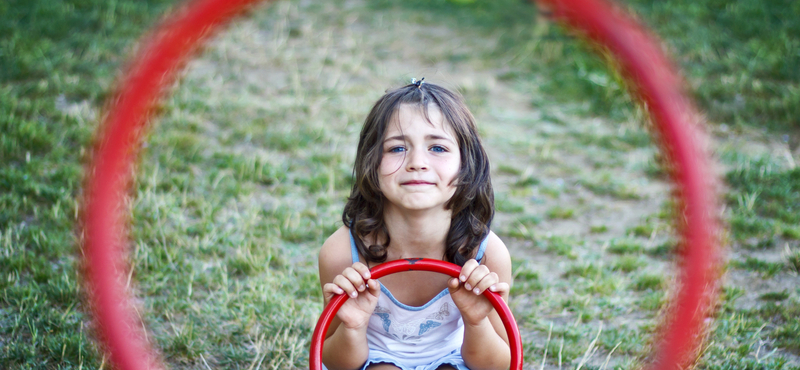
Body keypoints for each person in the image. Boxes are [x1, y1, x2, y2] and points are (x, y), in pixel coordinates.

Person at [318, 78, 512, 370]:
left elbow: (497, 365)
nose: (417, 162)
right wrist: (352, 328)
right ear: (371, 162)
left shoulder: (485, 255)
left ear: (467, 164)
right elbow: (334, 363)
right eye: (397, 149)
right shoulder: (342, 253)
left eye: (437, 148)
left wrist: (477, 321)